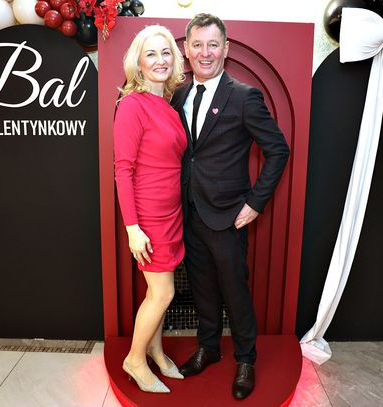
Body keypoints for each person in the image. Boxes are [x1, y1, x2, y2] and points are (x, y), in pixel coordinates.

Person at [171, 14, 290, 400]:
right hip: (189, 211)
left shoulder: (244, 96)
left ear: (226, 48)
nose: (205, 53)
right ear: (187, 50)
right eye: (197, 45)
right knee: (201, 286)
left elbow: (278, 150)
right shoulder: (179, 95)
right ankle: (208, 347)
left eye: (213, 45)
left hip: (227, 215)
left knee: (234, 290)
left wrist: (255, 203)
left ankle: (246, 359)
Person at [113, 25, 187, 393]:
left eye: (166, 52)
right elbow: (122, 170)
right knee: (163, 294)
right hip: (148, 218)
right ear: (138, 63)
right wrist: (132, 228)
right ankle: (134, 359)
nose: (160, 60)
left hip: (171, 213)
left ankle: (155, 352)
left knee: (156, 294)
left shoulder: (167, 105)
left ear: (174, 59)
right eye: (151, 54)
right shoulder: (132, 104)